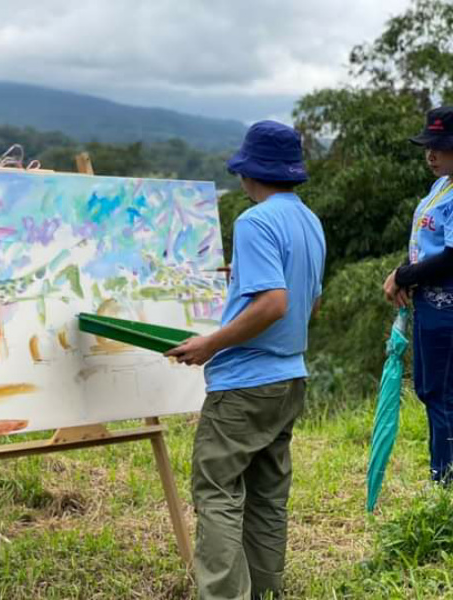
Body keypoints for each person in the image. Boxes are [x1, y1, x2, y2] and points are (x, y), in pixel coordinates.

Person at [165, 121, 326, 600]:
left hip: (244, 384)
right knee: (267, 498)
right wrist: (244, 280)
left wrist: (210, 344)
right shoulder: (309, 221)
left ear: (247, 173)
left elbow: (274, 303)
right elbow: (308, 302)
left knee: (217, 492)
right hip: (289, 378)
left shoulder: (254, 221)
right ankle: (266, 591)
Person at [383, 106, 453, 485]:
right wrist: (404, 274)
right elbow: (425, 245)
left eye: (440, 147)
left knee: (441, 393)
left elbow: (452, 256)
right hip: (429, 306)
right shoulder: (440, 187)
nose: (431, 154)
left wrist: (404, 274)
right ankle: (441, 473)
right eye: (428, 146)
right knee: (431, 390)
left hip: (447, 311)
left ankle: (444, 481)